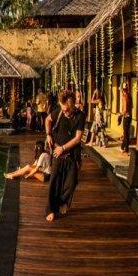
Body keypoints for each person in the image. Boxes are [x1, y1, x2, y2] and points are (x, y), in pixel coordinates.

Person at [44, 89, 85, 222]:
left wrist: (63, 148)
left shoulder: (80, 116)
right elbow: (47, 120)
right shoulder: (59, 112)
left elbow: (78, 138)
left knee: (71, 184)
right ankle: (50, 209)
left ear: (72, 105)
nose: (64, 111)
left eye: (67, 109)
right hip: (57, 152)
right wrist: (48, 135)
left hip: (72, 154)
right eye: (63, 108)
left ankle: (62, 202)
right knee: (54, 182)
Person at [120, 80, 132, 155]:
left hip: (126, 116)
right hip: (129, 116)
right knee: (126, 133)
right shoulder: (129, 95)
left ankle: (126, 149)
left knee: (126, 133)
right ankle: (123, 147)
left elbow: (125, 109)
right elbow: (131, 107)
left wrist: (120, 114)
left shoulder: (125, 96)